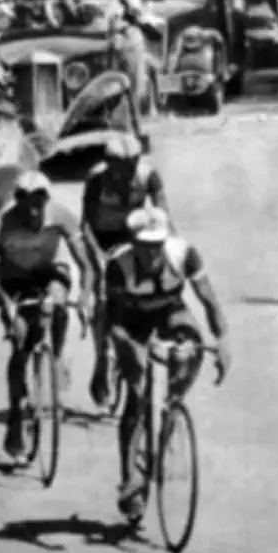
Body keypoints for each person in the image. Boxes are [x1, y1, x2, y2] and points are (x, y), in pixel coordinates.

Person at [104, 206, 230, 522]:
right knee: (136, 395)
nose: (151, 253)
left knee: (192, 343)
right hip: (130, 322)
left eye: (156, 244)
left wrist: (223, 340)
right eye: (144, 246)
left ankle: (171, 407)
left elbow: (209, 300)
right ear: (133, 244)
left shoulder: (184, 254)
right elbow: (112, 322)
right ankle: (130, 475)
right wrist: (128, 350)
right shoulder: (119, 265)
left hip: (169, 311)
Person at [0, 170, 94, 458]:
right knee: (20, 338)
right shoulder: (5, 220)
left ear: (47, 198)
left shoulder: (61, 215)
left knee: (57, 301)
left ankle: (56, 357)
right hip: (15, 278)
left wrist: (84, 297)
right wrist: (7, 302)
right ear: (17, 198)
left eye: (39, 198)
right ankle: (15, 416)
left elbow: (86, 266)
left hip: (49, 272)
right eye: (24, 198)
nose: (32, 206)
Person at [81, 133, 170, 409]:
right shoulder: (96, 179)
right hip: (101, 238)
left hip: (132, 236)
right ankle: (102, 356)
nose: (129, 171)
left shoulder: (149, 177)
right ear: (109, 163)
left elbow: (164, 217)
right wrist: (96, 257)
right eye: (123, 165)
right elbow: (85, 225)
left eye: (133, 163)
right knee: (102, 294)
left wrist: (171, 250)